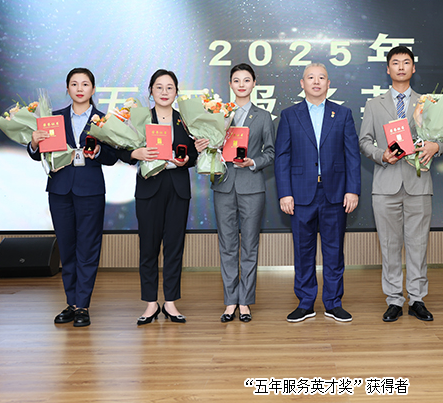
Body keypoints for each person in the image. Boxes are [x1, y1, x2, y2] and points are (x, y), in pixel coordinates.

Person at [358, 45, 443, 323]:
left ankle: (417, 299)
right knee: (389, 246)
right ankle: (394, 299)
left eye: (406, 62)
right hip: (385, 185)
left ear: (413, 68)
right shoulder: (374, 104)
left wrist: (436, 147)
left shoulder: (427, 103)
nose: (401, 67)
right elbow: (364, 141)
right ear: (388, 69)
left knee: (418, 246)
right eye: (395, 63)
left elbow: (442, 138)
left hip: (418, 183)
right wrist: (380, 155)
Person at [28, 67, 119, 327]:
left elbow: (113, 157)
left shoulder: (104, 120)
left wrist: (98, 151)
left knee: (88, 249)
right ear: (67, 88)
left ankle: (82, 306)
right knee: (67, 248)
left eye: (85, 84)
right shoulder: (52, 118)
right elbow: (37, 153)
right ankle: (71, 302)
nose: (80, 88)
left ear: (93, 89)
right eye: (75, 84)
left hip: (90, 190)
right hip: (60, 190)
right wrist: (34, 143)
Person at [274, 62, 360, 323]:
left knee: (334, 252)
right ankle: (305, 303)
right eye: (310, 77)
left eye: (321, 77)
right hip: (300, 194)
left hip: (335, 193)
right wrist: (285, 193)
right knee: (303, 251)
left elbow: (352, 156)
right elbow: (282, 157)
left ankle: (333, 303)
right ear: (302, 83)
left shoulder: (342, 114)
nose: (316, 82)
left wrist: (352, 190)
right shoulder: (289, 115)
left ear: (328, 84)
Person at [120, 69, 199, 326]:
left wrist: (188, 159)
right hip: (149, 188)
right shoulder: (140, 118)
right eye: (159, 87)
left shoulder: (186, 120)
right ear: (151, 91)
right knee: (148, 247)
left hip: (177, 188)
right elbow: (121, 149)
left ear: (176, 92)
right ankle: (150, 303)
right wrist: (136, 154)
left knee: (174, 247)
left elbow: (193, 155)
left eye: (169, 87)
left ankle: (171, 302)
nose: (164, 92)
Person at [212, 63, 275, 323]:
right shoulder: (218, 114)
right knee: (227, 245)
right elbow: (210, 147)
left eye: (246, 80)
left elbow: (270, 152)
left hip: (252, 186)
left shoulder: (263, 116)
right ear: (230, 84)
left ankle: (245, 301)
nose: (241, 84)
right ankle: (230, 301)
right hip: (224, 185)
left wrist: (253, 162)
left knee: (249, 245)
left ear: (254, 83)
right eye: (236, 80)